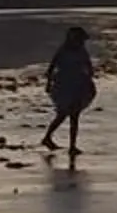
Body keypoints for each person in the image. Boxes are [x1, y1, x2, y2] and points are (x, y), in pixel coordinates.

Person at [41, 24, 97, 159]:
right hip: (64, 85)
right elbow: (51, 67)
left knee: (72, 115)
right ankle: (54, 140)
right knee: (65, 114)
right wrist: (48, 83)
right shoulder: (63, 50)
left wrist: (89, 81)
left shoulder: (81, 50)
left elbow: (88, 67)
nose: (81, 41)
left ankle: (68, 144)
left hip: (78, 84)